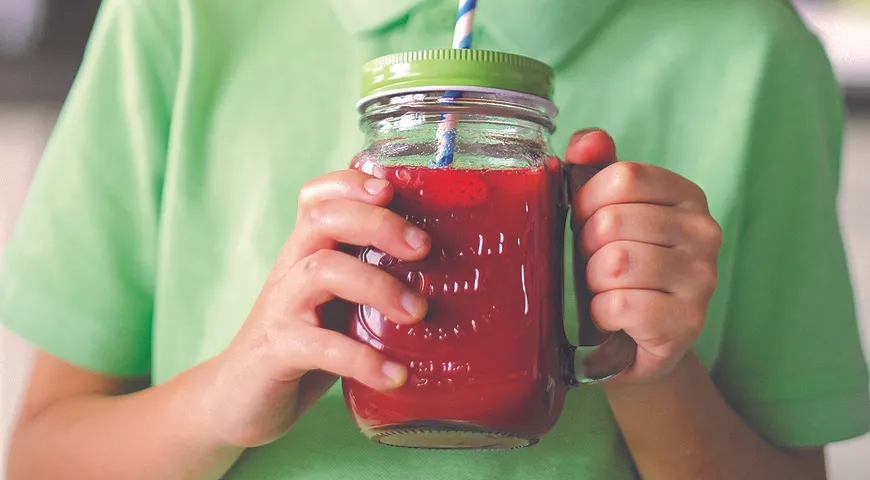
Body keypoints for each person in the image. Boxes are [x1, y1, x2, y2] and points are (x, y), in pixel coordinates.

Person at [2, 0, 868, 479]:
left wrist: (641, 365)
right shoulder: (176, 18)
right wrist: (225, 395)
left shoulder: (756, 53)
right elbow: (40, 461)